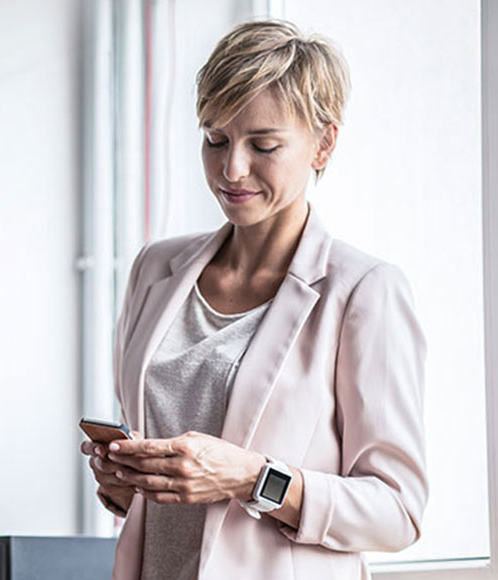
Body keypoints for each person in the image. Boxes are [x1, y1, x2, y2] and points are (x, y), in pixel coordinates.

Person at [80, 19, 428, 580]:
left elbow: (399, 511)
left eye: (263, 145)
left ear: (324, 142)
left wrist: (251, 477)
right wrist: (126, 483)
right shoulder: (154, 269)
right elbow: (162, 490)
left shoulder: (364, 291)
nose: (231, 169)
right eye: (215, 139)